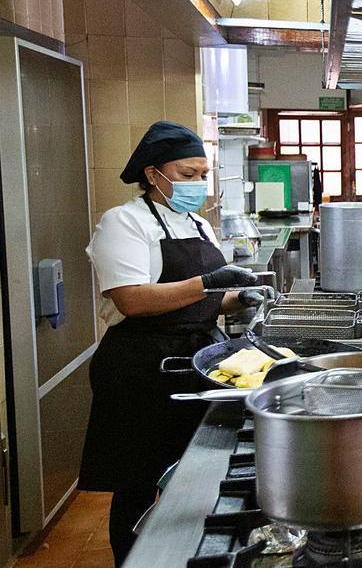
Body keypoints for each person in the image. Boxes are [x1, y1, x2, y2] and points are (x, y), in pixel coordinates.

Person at [80, 121, 263, 565]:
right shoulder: (123, 222)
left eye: (204, 174)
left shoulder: (198, 223)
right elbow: (132, 299)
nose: (199, 184)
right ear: (152, 174)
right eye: (187, 174)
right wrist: (208, 284)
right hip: (142, 366)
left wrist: (237, 299)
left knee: (196, 470)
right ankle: (135, 559)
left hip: (199, 359)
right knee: (140, 480)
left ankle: (193, 554)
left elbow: (203, 302)